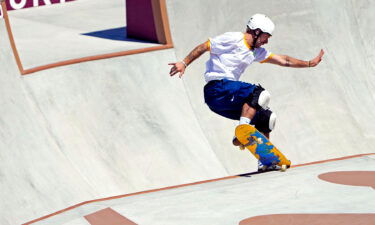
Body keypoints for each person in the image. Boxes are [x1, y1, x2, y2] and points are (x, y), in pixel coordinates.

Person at [169, 14, 324, 168]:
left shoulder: (256, 51)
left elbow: (285, 60)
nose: (266, 41)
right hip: (216, 89)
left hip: (227, 98)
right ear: (256, 32)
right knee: (258, 93)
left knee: (266, 117)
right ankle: (241, 132)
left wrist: (309, 63)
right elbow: (204, 46)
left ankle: (265, 161)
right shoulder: (234, 38)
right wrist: (184, 63)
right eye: (265, 36)